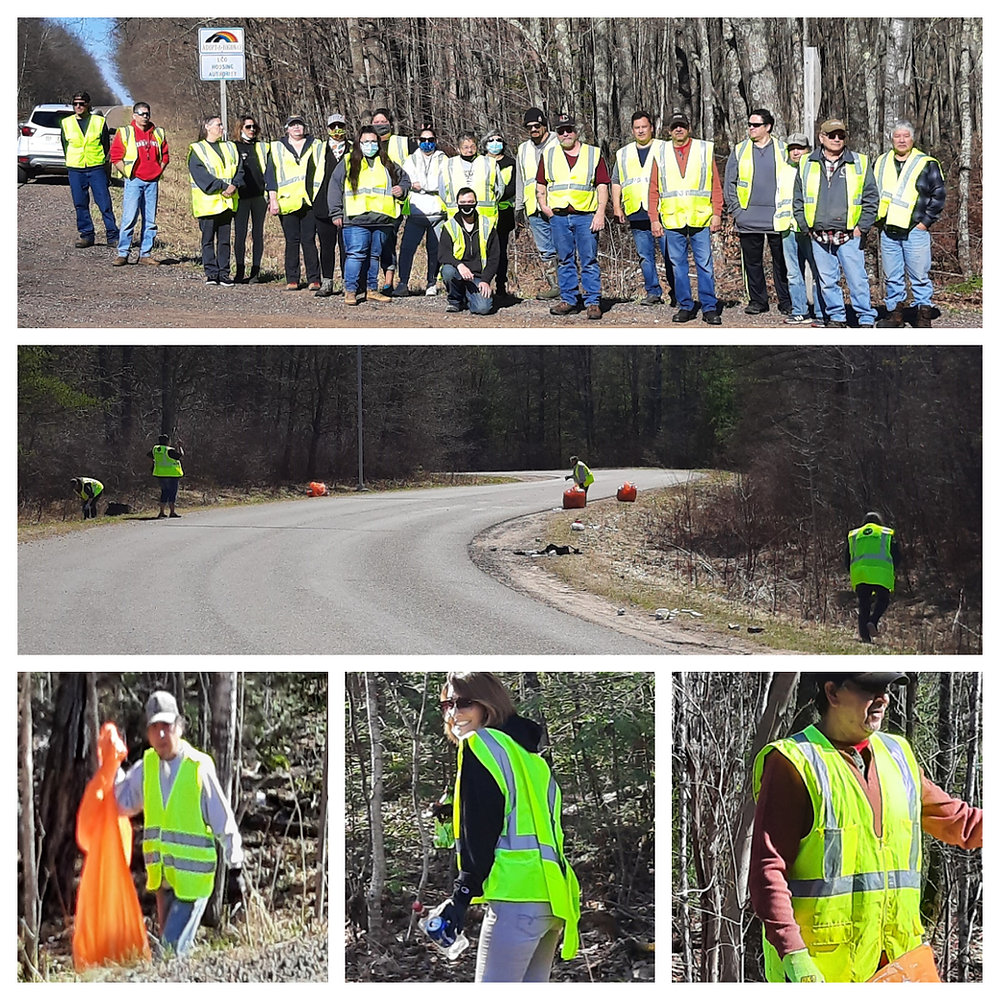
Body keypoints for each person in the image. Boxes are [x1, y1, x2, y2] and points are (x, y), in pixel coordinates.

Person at [751, 672, 982, 983]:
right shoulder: (793, 763)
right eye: (869, 688)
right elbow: (768, 870)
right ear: (831, 692)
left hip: (901, 965)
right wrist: (793, 953)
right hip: (822, 973)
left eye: (885, 689)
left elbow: (960, 822)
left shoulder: (898, 755)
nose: (883, 698)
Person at [434, 672, 580, 982]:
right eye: (447, 704)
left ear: (487, 705)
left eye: (463, 703)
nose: (453, 714)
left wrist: (462, 895)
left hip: (516, 901)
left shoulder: (480, 744)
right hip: (551, 901)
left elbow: (482, 828)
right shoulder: (531, 759)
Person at [113, 690, 245, 957]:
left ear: (179, 727)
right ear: (148, 733)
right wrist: (110, 766)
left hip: (193, 883)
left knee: (167, 953)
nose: (161, 735)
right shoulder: (146, 767)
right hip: (165, 880)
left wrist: (235, 867)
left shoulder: (198, 766)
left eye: (167, 727)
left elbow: (222, 818)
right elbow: (122, 804)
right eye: (154, 728)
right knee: (176, 961)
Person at [792, 118, 878, 328]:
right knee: (827, 281)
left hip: (849, 234)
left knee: (857, 280)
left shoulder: (860, 162)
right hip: (818, 234)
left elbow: (871, 198)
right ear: (822, 138)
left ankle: (865, 318)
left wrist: (862, 227)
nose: (837, 139)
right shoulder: (806, 163)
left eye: (841, 135)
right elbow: (798, 198)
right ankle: (836, 317)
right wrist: (806, 226)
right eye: (831, 135)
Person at [648, 110, 724, 325]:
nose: (678, 129)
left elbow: (714, 184)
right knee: (678, 265)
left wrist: (717, 212)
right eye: (674, 127)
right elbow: (653, 188)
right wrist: (654, 218)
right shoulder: (660, 152)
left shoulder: (703, 149)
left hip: (700, 218)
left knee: (705, 265)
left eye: (681, 125)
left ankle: (709, 307)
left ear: (688, 128)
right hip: (672, 219)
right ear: (669, 130)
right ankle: (685, 306)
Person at [535, 114, 610, 321]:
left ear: (576, 131)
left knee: (589, 260)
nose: (565, 134)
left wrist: (600, 212)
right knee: (564, 260)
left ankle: (593, 302)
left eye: (568, 129)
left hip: (586, 216)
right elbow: (541, 184)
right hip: (558, 217)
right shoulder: (548, 155)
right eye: (560, 131)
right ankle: (568, 299)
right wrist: (544, 207)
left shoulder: (593, 154)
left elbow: (602, 185)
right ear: (556, 134)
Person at [874, 121, 947, 329]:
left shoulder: (925, 162)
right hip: (888, 230)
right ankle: (895, 314)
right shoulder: (881, 162)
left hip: (915, 229)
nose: (902, 140)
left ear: (912, 139)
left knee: (919, 275)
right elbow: (872, 193)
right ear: (892, 139)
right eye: (898, 136)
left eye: (906, 136)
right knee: (892, 276)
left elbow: (939, 194)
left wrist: (925, 223)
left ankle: (922, 314)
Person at [328, 125, 410, 305]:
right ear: (359, 143)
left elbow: (405, 179)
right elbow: (334, 186)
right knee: (356, 255)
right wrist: (335, 213)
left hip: (381, 219)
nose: (370, 145)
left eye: (374, 141)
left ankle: (371, 289)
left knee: (374, 256)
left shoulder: (386, 161)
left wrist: (401, 189)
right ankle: (350, 290)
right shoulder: (348, 161)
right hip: (355, 219)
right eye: (366, 142)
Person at [724, 108, 793, 316]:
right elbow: (730, 182)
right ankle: (757, 301)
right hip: (748, 218)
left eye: (755, 125)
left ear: (768, 127)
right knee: (752, 263)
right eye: (750, 124)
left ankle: (786, 301)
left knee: (781, 262)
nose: (750, 128)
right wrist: (737, 211)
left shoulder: (784, 149)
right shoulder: (740, 150)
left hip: (778, 218)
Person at [612, 111, 674, 306]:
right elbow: (616, 180)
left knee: (670, 254)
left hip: (662, 210)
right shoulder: (623, 153)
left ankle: (678, 293)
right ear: (632, 130)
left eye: (644, 127)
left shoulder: (664, 148)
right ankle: (653, 292)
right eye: (637, 128)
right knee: (645, 256)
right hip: (636, 211)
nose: (640, 131)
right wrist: (617, 206)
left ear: (651, 128)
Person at [266, 114, 326, 291]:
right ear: (287, 129)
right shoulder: (277, 147)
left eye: (299, 124)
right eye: (293, 125)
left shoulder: (316, 145)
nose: (296, 128)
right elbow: (271, 175)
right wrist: (273, 200)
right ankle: (292, 279)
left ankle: (314, 279)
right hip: (287, 202)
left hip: (309, 200)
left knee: (309, 240)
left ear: (304, 127)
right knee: (292, 241)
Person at [109, 101, 168, 266]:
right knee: (129, 218)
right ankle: (123, 253)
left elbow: (165, 156)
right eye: (142, 114)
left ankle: (145, 254)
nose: (145, 117)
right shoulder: (126, 132)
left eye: (147, 114)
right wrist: (129, 174)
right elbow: (116, 157)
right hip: (134, 181)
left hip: (152, 182)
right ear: (134, 116)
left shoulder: (158, 133)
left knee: (150, 220)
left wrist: (158, 171)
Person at [187, 114, 243, 286]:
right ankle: (211, 273)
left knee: (225, 241)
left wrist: (234, 185)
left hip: (227, 202)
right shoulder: (197, 149)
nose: (222, 128)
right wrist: (223, 186)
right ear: (207, 127)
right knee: (208, 240)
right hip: (208, 204)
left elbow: (239, 169)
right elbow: (201, 175)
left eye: (221, 125)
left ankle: (224, 273)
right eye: (218, 125)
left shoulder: (230, 147)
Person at [60, 91, 119, 250]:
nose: (78, 106)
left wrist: (100, 162)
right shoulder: (66, 123)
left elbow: (106, 144)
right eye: (75, 104)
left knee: (104, 203)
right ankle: (86, 235)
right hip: (76, 169)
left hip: (96, 168)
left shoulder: (99, 121)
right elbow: (65, 145)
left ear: (88, 104)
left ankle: (112, 236)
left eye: (82, 103)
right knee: (80, 203)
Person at [395, 126, 448, 297]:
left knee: (435, 250)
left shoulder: (443, 159)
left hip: (437, 213)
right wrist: (424, 186)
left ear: (436, 141)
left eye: (430, 140)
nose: (427, 143)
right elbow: (409, 180)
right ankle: (403, 283)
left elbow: (443, 182)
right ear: (418, 141)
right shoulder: (411, 159)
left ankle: (431, 283)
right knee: (407, 249)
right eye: (423, 140)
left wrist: (423, 186)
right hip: (415, 213)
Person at [780, 133, 827, 325]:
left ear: (808, 149)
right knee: (793, 272)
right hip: (788, 228)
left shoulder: (816, 169)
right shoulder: (783, 170)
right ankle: (799, 311)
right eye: (792, 148)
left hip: (810, 229)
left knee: (818, 271)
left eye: (800, 148)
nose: (796, 152)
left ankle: (821, 311)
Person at [515, 108, 562, 300]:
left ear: (544, 125)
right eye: (529, 127)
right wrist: (519, 206)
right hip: (532, 205)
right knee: (545, 248)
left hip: (556, 203)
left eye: (537, 126)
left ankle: (570, 285)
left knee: (564, 246)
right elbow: (520, 178)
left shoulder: (558, 142)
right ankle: (555, 286)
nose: (534, 129)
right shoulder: (523, 148)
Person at [372, 108, 416, 293]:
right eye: (376, 122)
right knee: (374, 244)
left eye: (383, 121)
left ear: (391, 123)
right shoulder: (366, 144)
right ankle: (369, 283)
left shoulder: (404, 143)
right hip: (372, 202)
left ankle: (389, 281)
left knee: (388, 242)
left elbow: (424, 159)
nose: (380, 125)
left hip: (397, 203)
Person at [438, 188, 499, 315]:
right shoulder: (450, 226)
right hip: (457, 272)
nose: (467, 205)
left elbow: (494, 257)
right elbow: (443, 254)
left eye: (470, 202)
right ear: (458, 204)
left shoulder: (487, 225)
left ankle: (469, 297)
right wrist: (459, 265)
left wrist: (486, 280)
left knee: (483, 309)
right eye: (463, 202)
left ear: (476, 203)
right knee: (448, 271)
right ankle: (455, 300)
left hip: (478, 277)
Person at [844, 511, 901, 643]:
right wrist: (892, 569)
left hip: (860, 573)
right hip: (881, 573)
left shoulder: (854, 535)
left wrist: (851, 570)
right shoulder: (886, 533)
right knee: (883, 599)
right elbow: (896, 555)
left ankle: (865, 637)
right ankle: (873, 621)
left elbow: (848, 557)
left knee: (864, 604)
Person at [313, 113, 352, 296]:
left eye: (340, 126)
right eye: (333, 127)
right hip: (322, 206)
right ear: (327, 129)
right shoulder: (319, 150)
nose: (337, 130)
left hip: (348, 206)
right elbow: (309, 176)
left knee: (347, 247)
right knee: (326, 246)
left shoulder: (354, 149)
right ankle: (327, 281)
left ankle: (347, 283)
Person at [233, 113, 268, 284]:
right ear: (240, 129)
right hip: (240, 197)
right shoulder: (233, 147)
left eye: (254, 127)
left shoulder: (262, 147)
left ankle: (255, 271)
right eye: (248, 127)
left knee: (258, 234)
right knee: (240, 234)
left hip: (259, 197)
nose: (252, 130)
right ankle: (239, 270)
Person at [484, 129, 517, 304]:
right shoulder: (480, 163)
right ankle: (482, 286)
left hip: (503, 214)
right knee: (483, 252)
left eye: (499, 140)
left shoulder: (511, 163)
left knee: (501, 253)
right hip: (483, 214)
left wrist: (495, 194)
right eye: (491, 140)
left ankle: (501, 287)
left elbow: (512, 188)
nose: (495, 143)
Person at [441, 133, 505, 221]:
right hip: (457, 216)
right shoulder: (448, 164)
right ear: (459, 148)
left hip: (486, 216)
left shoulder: (489, 163)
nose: (470, 150)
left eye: (472, 146)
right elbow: (442, 191)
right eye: (466, 147)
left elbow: (500, 189)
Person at [148, 433, 184, 518]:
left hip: (160, 474)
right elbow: (180, 455)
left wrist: (153, 464)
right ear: (168, 441)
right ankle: (172, 512)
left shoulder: (156, 449)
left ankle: (161, 512)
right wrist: (180, 446)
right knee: (172, 493)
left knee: (164, 492)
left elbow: (149, 456)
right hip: (172, 474)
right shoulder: (169, 450)